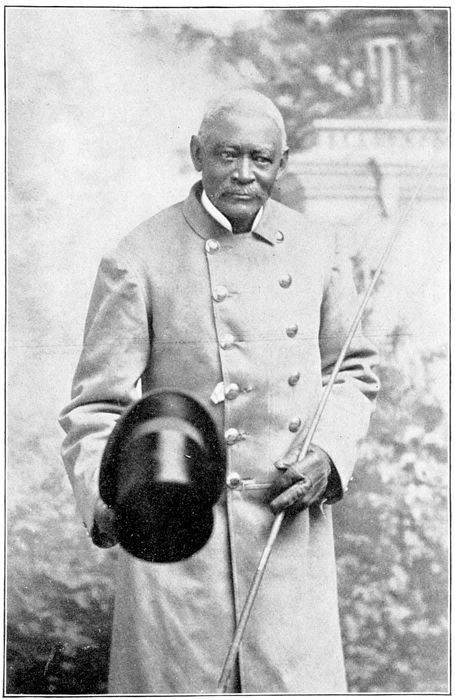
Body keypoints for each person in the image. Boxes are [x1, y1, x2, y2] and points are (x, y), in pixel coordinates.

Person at [59, 89, 379, 694]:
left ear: (282, 163)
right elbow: (95, 407)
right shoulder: (138, 257)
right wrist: (115, 505)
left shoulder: (320, 249)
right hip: (177, 549)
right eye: (227, 155)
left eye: (261, 158)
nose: (243, 174)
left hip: (287, 537)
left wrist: (330, 456)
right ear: (197, 155)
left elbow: (352, 370)